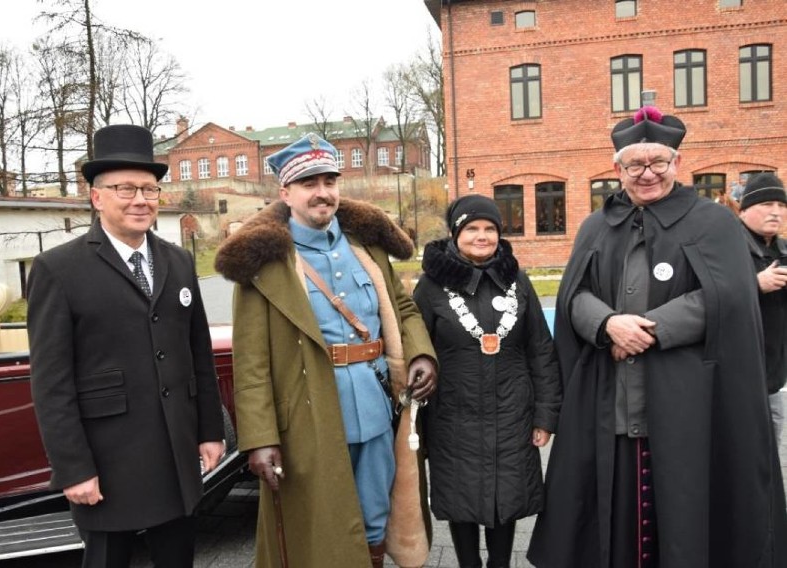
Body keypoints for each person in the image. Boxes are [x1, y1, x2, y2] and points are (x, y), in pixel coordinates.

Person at [527, 106, 787, 567]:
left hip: (689, 406)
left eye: (658, 163)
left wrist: (649, 328)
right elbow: (573, 295)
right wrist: (607, 325)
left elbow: (729, 295)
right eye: (635, 165)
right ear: (617, 169)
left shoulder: (714, 223)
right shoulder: (595, 226)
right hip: (610, 405)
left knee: (685, 514)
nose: (647, 174)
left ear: (677, 164)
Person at [213, 133, 438, 568]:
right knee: (325, 525)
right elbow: (252, 363)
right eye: (309, 183)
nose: (323, 193)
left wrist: (421, 354)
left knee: (376, 518)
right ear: (286, 192)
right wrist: (259, 439)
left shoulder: (367, 246)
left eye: (329, 181)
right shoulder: (263, 264)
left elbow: (402, 307)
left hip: (376, 409)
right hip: (309, 417)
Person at [28, 124, 226, 568]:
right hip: (107, 462)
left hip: (174, 455)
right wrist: (74, 468)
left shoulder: (178, 261)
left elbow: (198, 353)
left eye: (150, 189)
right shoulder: (58, 269)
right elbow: (51, 383)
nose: (140, 199)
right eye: (125, 188)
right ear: (97, 197)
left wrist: (210, 430)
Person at [412, 194, 562, 568]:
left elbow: (540, 350)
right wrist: (417, 424)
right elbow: (415, 351)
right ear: (455, 233)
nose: (482, 236)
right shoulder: (431, 287)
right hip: (453, 415)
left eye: (490, 229)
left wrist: (545, 415)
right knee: (461, 500)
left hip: (512, 411)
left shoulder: (518, 282)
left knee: (506, 497)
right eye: (472, 229)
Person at [738, 172, 787, 441]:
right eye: (766, 205)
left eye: (781, 206)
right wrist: (755, 284)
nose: (776, 212)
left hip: (773, 378)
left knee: (770, 457)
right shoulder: (728, 248)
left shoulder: (784, 250)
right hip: (737, 381)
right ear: (744, 211)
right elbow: (705, 297)